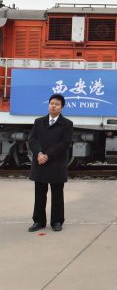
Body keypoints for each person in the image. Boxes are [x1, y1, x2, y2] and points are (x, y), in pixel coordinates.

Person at [27, 94, 73, 232]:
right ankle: (38, 221)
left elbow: (65, 143)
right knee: (39, 193)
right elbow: (32, 139)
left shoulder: (67, 124)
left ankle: (57, 221)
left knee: (57, 194)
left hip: (56, 163)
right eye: (51, 103)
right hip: (40, 162)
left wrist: (48, 155)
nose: (53, 106)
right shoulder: (39, 122)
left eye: (57, 104)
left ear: (62, 107)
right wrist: (39, 153)